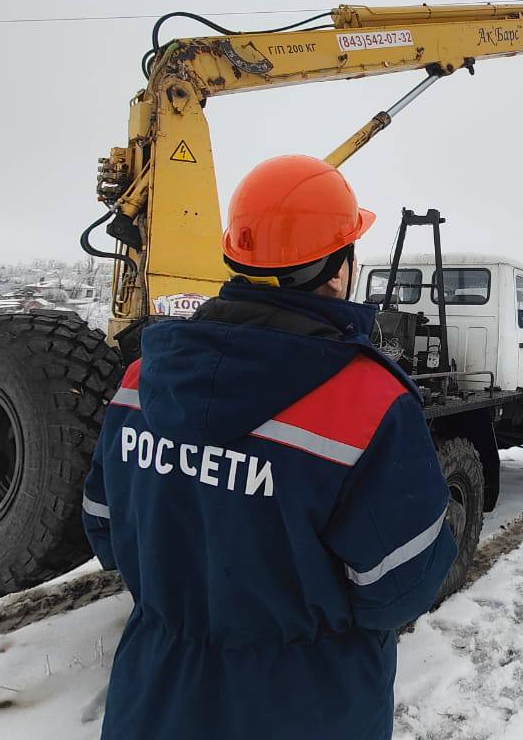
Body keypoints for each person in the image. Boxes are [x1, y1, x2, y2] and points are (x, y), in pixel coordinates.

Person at [82, 154, 456, 740]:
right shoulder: (370, 404)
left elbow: (103, 528)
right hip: (307, 707)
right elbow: (400, 588)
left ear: (236, 256)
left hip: (154, 702)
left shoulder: (139, 382)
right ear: (339, 270)